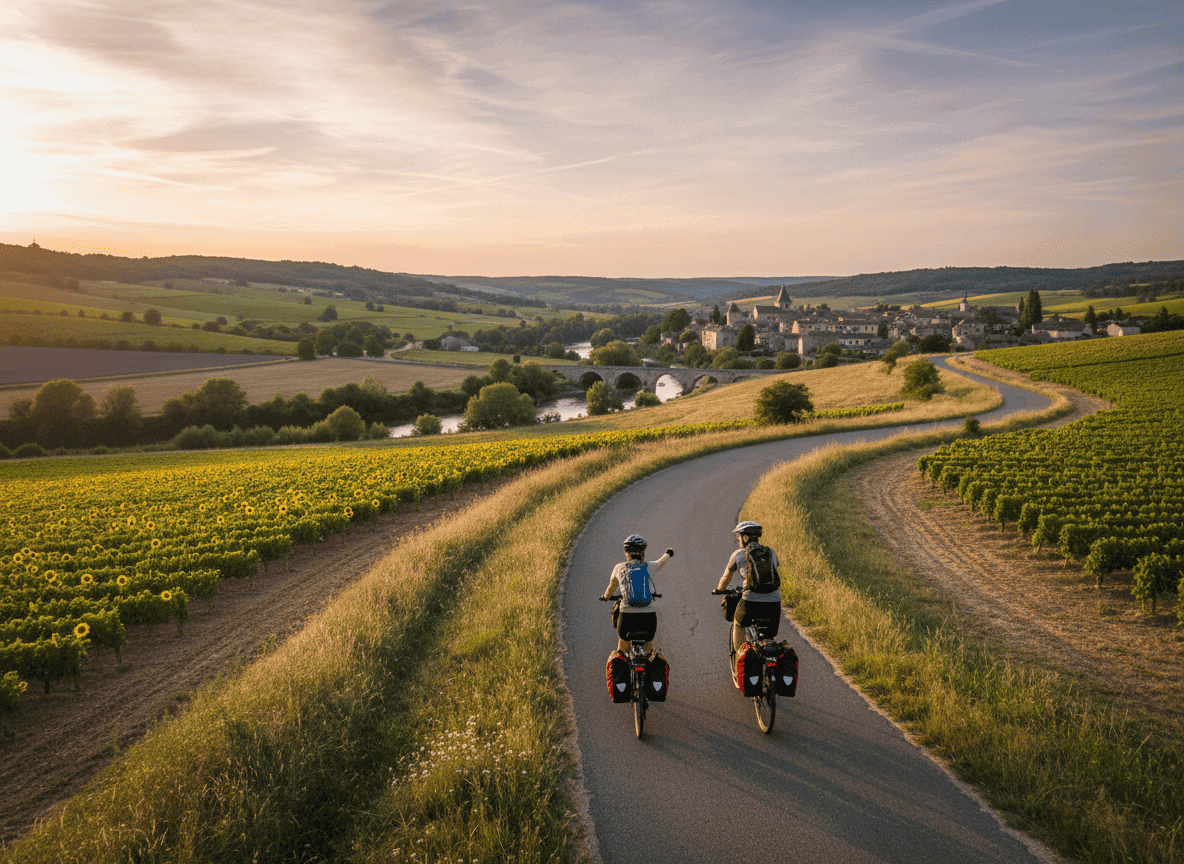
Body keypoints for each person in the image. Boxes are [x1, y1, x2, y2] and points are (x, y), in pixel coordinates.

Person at [716, 520, 781, 664]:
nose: (738, 539)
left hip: (750, 599)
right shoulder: (771, 552)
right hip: (775, 599)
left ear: (745, 537)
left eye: (739, 536)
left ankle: (741, 658)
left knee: (738, 623)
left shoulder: (738, 554)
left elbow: (726, 577)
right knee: (769, 635)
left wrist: (719, 589)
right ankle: (771, 659)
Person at [601, 534, 672, 658]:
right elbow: (660, 563)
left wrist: (606, 597)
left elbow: (611, 587)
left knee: (621, 650)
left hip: (626, 617)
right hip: (648, 617)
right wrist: (668, 553)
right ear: (642, 552)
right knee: (649, 650)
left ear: (626, 552)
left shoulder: (619, 568)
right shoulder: (648, 566)